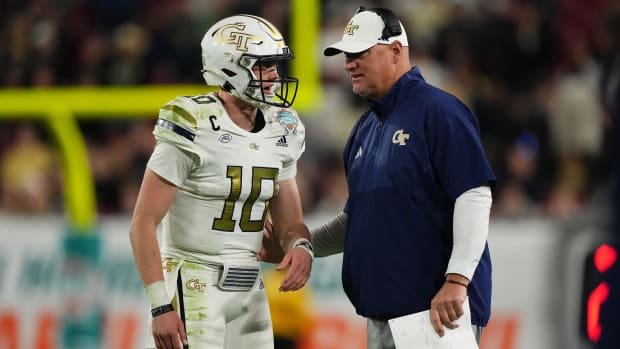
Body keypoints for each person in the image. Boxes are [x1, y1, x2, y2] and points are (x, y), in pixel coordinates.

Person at [261, 7, 495, 349]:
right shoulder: (364, 129)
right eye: (347, 55)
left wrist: (457, 280)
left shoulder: (439, 111)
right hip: (382, 316)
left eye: (360, 53)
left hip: (435, 313)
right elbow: (356, 220)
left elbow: (474, 195)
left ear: (396, 51)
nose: (348, 63)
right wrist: (299, 245)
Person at [129, 14, 314, 349]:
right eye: (263, 65)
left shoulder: (283, 127)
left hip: (249, 284)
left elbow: (291, 223)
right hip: (193, 277)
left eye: (275, 65)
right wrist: (160, 305)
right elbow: (143, 223)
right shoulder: (193, 121)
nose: (273, 75)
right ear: (229, 67)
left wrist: (301, 248)